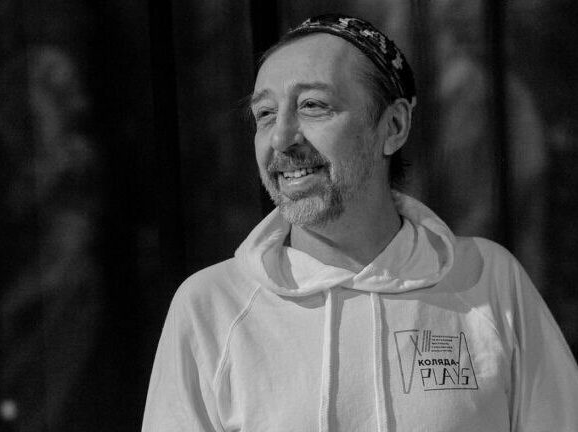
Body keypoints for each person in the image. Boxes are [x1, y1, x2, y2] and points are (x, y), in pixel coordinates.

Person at [142, 14, 578, 432]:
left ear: (394, 125)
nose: (281, 138)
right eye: (266, 114)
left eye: (313, 106)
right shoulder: (211, 304)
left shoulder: (487, 279)